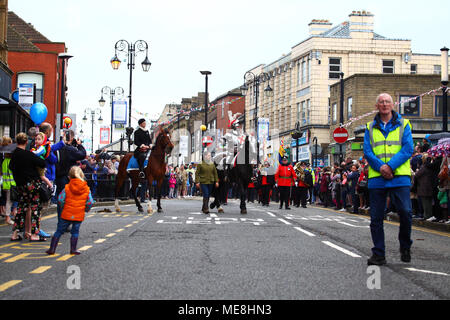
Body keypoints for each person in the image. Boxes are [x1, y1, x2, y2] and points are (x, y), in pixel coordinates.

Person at [363, 93, 414, 266]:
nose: (384, 104)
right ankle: (378, 253)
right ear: (377, 106)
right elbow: (368, 152)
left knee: (406, 213)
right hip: (377, 178)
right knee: (376, 218)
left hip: (399, 177)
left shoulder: (404, 124)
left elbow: (408, 149)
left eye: (387, 102)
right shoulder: (369, 127)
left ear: (393, 105)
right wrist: (381, 168)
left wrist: (390, 166)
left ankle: (405, 246)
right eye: (381, 102)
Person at [46, 166, 94, 255]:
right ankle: (73, 250)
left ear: (69, 177)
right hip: (79, 213)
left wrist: (64, 207)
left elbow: (60, 199)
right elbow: (90, 202)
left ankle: (52, 249)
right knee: (75, 232)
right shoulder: (86, 188)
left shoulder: (67, 187)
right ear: (82, 175)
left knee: (59, 231)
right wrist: (85, 209)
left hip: (66, 213)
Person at [9, 132, 47, 241]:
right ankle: (34, 234)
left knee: (21, 208)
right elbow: (42, 163)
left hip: (20, 185)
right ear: (26, 142)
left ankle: (15, 234)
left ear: (17, 142)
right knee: (35, 208)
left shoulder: (14, 155)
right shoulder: (28, 154)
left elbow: (11, 167)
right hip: (32, 184)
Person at [0, 137, 16, 225]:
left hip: (5, 184)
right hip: (11, 184)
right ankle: (8, 217)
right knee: (9, 201)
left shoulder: (4, 161)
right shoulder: (10, 161)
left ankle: (10, 214)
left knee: (8, 200)